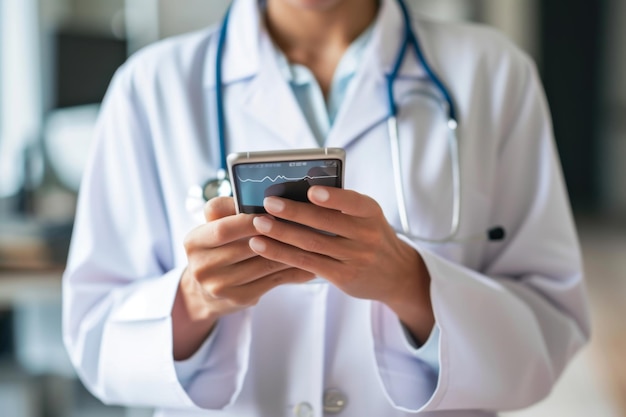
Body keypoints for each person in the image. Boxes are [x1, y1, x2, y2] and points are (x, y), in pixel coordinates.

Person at [62, 0, 591, 416]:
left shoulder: (494, 74)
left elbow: (549, 327)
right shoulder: (151, 86)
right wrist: (194, 301)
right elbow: (94, 337)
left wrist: (410, 283)